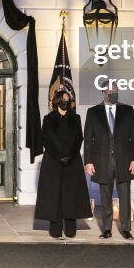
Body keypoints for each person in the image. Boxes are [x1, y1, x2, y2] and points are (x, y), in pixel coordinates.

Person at [84, 84, 134, 239]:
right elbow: (88, 139)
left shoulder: (128, 110)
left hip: (124, 161)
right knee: (105, 197)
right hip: (103, 161)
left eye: (115, 92)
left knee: (125, 197)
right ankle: (107, 229)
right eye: (110, 92)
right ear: (103, 94)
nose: (113, 94)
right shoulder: (93, 112)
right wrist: (88, 162)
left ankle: (126, 229)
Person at [34, 90, 91, 238]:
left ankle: (71, 229)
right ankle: (55, 229)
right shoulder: (48, 118)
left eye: (68, 99)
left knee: (71, 196)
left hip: (72, 162)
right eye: (63, 99)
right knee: (55, 195)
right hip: (53, 162)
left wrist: (70, 156)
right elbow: (46, 140)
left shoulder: (76, 118)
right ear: (57, 101)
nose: (65, 102)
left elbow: (79, 138)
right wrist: (60, 156)